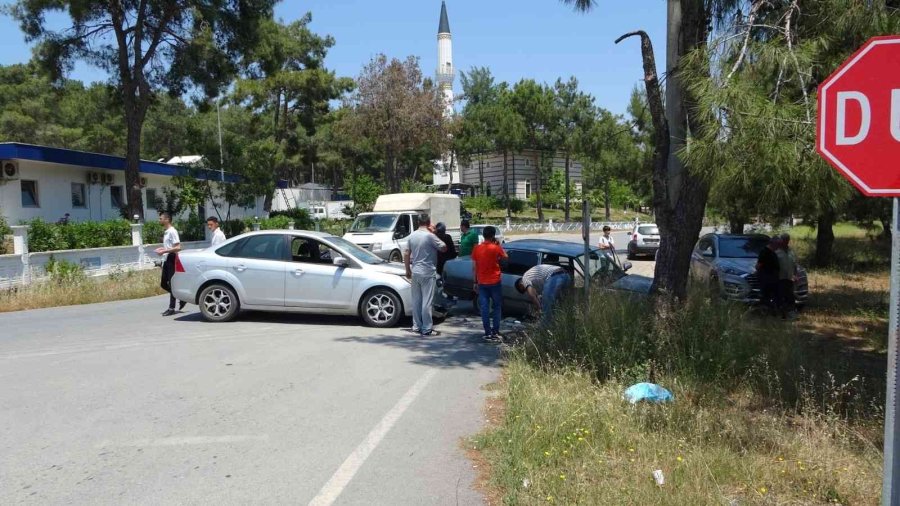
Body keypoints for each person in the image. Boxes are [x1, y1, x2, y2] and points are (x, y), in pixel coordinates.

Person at [403, 213, 447, 336]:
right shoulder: (430, 236)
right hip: (428, 272)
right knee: (427, 302)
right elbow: (444, 248)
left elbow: (406, 253)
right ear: (428, 223)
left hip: (416, 271)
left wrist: (407, 269)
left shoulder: (412, 236)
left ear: (418, 223)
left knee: (416, 300)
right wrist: (434, 232)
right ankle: (427, 328)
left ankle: (416, 326)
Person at [471, 226, 508, 341]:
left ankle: (487, 332)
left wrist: (474, 281)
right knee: (497, 307)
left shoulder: (477, 248)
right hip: (495, 281)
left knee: (484, 307)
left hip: (482, 282)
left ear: (483, 235)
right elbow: (506, 258)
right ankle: (495, 331)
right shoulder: (496, 248)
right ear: (493, 236)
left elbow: (474, 267)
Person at [155, 212, 184, 316]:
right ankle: (181, 296)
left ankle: (171, 308)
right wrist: (163, 249)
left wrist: (164, 251)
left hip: (172, 258)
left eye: (161, 218)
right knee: (163, 283)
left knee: (172, 283)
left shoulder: (172, 231)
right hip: (166, 258)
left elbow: (178, 247)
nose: (159, 220)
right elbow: (170, 247)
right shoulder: (166, 231)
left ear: (167, 219)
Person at [776, 232, 799, 320]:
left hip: (790, 278)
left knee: (790, 296)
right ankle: (781, 315)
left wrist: (796, 275)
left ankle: (791, 314)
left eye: (787, 239)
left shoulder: (791, 252)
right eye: (784, 239)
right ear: (781, 240)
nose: (786, 241)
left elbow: (795, 265)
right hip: (780, 279)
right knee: (781, 297)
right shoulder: (776, 252)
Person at [756, 236, 781, 313]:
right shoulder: (765, 252)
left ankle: (772, 310)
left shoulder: (773, 252)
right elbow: (759, 265)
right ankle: (764, 311)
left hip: (773, 278)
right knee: (765, 295)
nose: (779, 246)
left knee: (774, 295)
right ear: (773, 243)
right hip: (766, 278)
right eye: (778, 244)